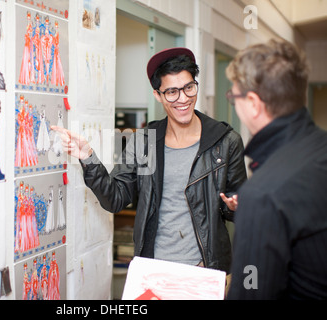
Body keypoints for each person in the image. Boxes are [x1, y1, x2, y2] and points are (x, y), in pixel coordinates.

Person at [52, 47, 247, 274]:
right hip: (153, 267)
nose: (183, 99)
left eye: (188, 88)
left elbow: (235, 206)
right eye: (172, 92)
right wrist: (88, 157)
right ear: (158, 94)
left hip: (203, 268)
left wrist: (236, 206)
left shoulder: (225, 141)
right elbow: (115, 199)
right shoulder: (145, 141)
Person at [225, 39, 327, 299]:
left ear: (253, 103)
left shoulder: (262, 194)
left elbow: (251, 289)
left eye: (233, 96)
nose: (234, 104)